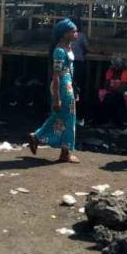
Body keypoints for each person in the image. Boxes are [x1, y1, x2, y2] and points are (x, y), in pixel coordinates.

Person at [27, 18, 80, 163]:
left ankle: (38, 137)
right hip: (62, 86)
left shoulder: (68, 48)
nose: (76, 33)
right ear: (64, 34)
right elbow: (56, 76)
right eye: (73, 31)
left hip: (68, 86)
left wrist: (74, 90)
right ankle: (65, 152)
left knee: (60, 117)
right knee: (68, 119)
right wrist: (57, 98)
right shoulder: (59, 51)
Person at [99, 57, 127, 127]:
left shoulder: (125, 73)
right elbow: (106, 85)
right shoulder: (110, 71)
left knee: (114, 99)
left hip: (124, 95)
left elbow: (122, 89)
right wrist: (111, 89)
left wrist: (111, 89)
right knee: (106, 98)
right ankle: (105, 120)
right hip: (113, 93)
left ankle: (117, 122)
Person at [71, 25, 89, 122]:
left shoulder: (66, 36)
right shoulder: (81, 35)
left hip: (70, 63)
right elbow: (86, 48)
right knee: (78, 87)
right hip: (78, 63)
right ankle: (79, 114)